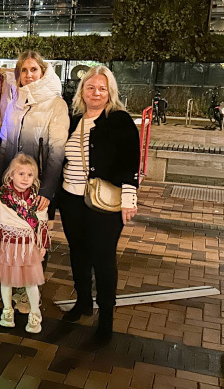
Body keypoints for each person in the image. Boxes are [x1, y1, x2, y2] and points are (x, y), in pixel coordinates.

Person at [58, 65, 139, 341]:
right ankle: (83, 302)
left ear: (110, 92)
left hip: (104, 202)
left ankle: (106, 316)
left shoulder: (119, 121)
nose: (96, 92)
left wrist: (129, 198)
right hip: (71, 199)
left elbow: (130, 162)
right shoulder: (73, 120)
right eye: (90, 87)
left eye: (102, 88)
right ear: (82, 91)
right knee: (78, 253)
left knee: (103, 259)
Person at [0, 50, 69, 313]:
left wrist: (47, 189)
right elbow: (4, 145)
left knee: (35, 238)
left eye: (34, 69)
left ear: (43, 72)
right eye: (23, 70)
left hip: (38, 186)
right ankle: (14, 284)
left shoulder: (56, 104)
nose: (28, 74)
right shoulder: (15, 102)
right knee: (13, 235)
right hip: (13, 184)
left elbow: (57, 152)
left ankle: (30, 290)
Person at [0, 153, 50, 333]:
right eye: (21, 174)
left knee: (31, 282)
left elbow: (42, 223)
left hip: (28, 247)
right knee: (6, 280)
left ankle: (35, 313)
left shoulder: (37, 200)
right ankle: (7, 311)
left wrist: (42, 244)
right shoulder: (1, 198)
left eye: (30, 175)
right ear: (11, 175)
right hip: (7, 246)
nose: (25, 178)